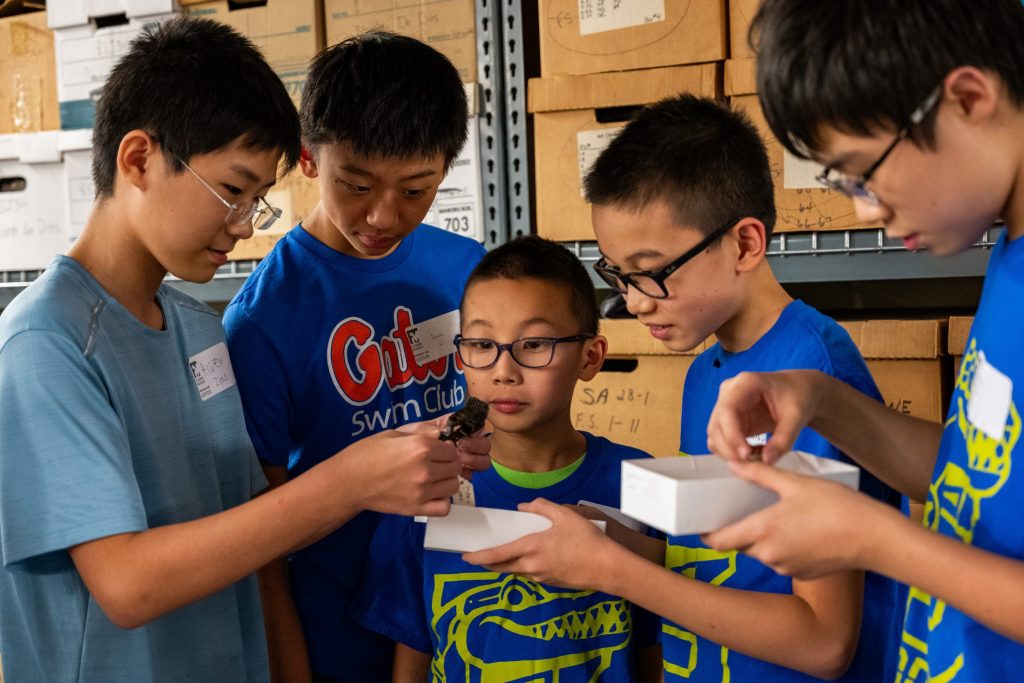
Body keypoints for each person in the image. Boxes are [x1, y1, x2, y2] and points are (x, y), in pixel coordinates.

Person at [0, 17, 487, 683]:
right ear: (139, 158)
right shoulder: (45, 343)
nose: (241, 224)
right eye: (232, 191)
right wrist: (351, 481)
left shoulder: (198, 329)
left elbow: (252, 533)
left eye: (257, 200)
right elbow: (127, 584)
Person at [464, 94, 902, 681]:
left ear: (745, 244)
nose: (634, 300)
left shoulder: (810, 374)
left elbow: (823, 641)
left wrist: (613, 572)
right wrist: (612, 542)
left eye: (652, 272)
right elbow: (724, 567)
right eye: (618, 273)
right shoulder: (708, 370)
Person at [695, 1, 1024, 681]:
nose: (865, 209)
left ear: (968, 98)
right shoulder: (1008, 250)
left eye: (863, 170)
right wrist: (816, 398)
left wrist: (876, 539)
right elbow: (979, 477)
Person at [222, 31, 487, 682]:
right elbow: (262, 540)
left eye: (415, 190)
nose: (382, 215)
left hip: (468, 614)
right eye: (357, 184)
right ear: (309, 160)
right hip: (338, 634)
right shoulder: (263, 321)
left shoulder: (466, 268)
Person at [353, 236, 662, 681]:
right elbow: (411, 654)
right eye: (481, 344)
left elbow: (656, 648)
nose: (503, 370)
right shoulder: (421, 488)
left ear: (590, 357)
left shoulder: (639, 483)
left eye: (535, 344)